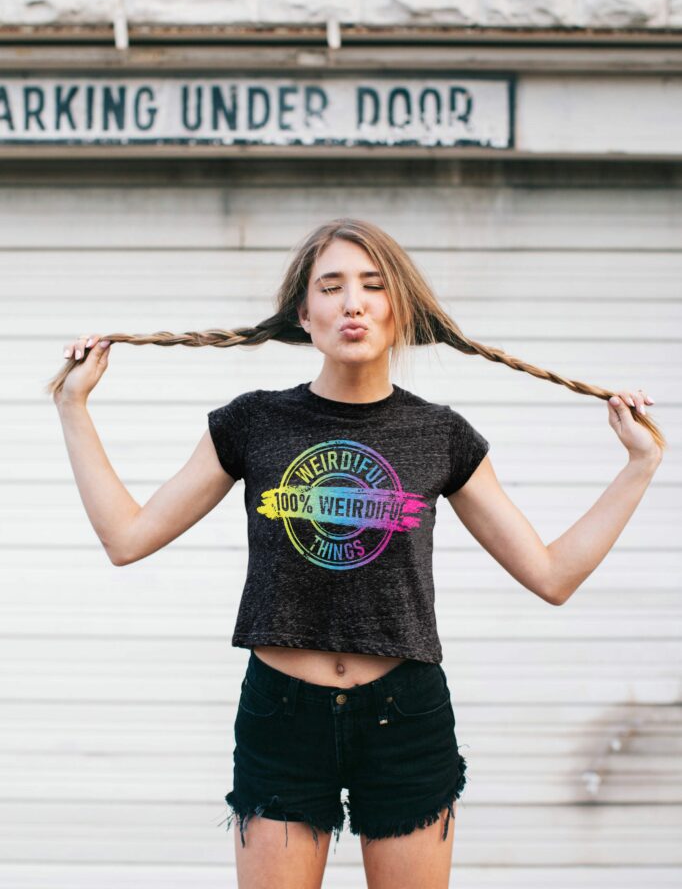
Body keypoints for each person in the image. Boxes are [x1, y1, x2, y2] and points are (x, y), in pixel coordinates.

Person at [49, 217, 664, 889]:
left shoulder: (441, 435)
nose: (353, 302)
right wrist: (73, 407)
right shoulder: (254, 422)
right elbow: (127, 538)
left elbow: (551, 576)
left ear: (399, 307)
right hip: (282, 719)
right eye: (331, 286)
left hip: (405, 718)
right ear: (304, 313)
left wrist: (638, 464)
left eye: (373, 285)